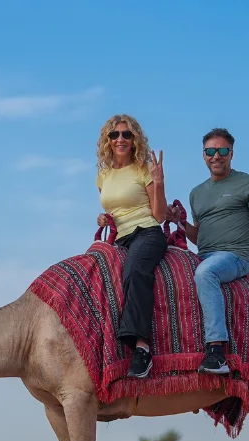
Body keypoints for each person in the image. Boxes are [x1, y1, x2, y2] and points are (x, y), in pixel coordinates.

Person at [181, 127, 249, 374]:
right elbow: (199, 237)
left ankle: (217, 352)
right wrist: (179, 222)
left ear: (231, 153)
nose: (216, 156)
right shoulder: (196, 193)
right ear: (203, 154)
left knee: (205, 274)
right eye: (210, 151)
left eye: (222, 150)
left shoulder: (247, 184)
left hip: (235, 256)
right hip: (205, 255)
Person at [94, 113, 169, 378]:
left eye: (126, 134)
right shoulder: (103, 176)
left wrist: (159, 183)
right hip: (119, 237)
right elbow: (114, 208)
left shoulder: (144, 169)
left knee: (134, 270)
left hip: (146, 232)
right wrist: (104, 218)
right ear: (108, 140)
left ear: (134, 139)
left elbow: (159, 216)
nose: (121, 139)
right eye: (115, 135)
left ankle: (141, 348)